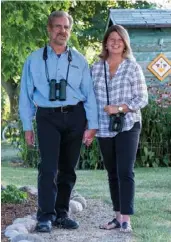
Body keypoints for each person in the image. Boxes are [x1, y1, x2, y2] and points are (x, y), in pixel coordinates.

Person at [19, 10, 98, 233]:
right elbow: (25, 95)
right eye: (58, 26)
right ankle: (45, 216)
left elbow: (89, 93)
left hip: (75, 115)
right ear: (49, 29)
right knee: (48, 168)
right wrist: (27, 126)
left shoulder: (80, 59)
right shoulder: (34, 60)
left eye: (66, 27)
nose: (62, 31)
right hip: (47, 116)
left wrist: (92, 124)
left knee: (68, 169)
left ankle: (61, 214)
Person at [91, 25, 148, 232]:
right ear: (106, 42)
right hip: (105, 127)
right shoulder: (96, 67)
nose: (115, 42)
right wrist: (90, 126)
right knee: (112, 172)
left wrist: (119, 108)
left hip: (128, 124)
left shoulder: (132, 67)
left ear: (125, 44)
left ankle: (126, 219)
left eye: (120, 39)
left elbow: (143, 98)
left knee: (125, 171)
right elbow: (90, 98)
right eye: (112, 39)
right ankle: (116, 216)